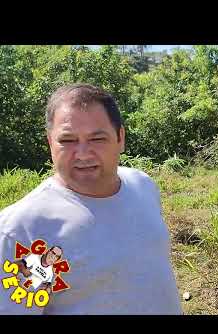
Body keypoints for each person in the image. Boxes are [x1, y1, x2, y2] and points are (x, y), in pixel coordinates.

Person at [0, 83, 182, 315]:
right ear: (50, 143)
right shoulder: (23, 228)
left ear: (120, 138)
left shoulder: (142, 186)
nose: (83, 153)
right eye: (67, 140)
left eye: (97, 139)